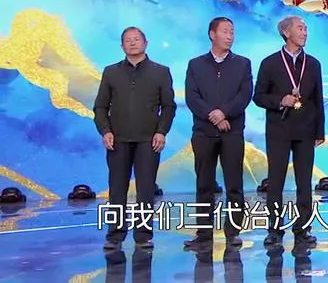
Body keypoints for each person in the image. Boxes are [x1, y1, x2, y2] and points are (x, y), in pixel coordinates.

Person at [93, 26, 176, 250]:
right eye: (127, 40)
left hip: (148, 140)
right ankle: (115, 235)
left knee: (146, 189)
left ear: (145, 43)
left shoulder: (160, 72)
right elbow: (100, 106)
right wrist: (105, 130)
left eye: (136, 39)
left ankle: (143, 235)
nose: (132, 43)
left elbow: (168, 106)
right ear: (122, 46)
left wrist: (161, 131)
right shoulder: (111, 72)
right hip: (117, 140)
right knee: (117, 188)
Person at [253, 16, 325, 246]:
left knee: (305, 182)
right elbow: (258, 96)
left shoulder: (313, 64)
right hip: (279, 129)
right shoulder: (270, 63)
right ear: (286, 32)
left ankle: (303, 228)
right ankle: (274, 229)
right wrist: (280, 100)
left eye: (306, 29)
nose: (305, 32)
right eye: (300, 28)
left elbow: (318, 99)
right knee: (276, 181)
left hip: (306, 129)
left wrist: (320, 131)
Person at [183, 17, 253, 250]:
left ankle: (233, 232)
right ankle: (203, 234)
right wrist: (212, 115)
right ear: (212, 34)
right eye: (225, 31)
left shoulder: (242, 64)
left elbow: (244, 95)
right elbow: (192, 97)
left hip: (232, 132)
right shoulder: (196, 64)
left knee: (234, 184)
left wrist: (224, 113)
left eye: (232, 32)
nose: (229, 36)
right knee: (204, 185)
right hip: (203, 132)